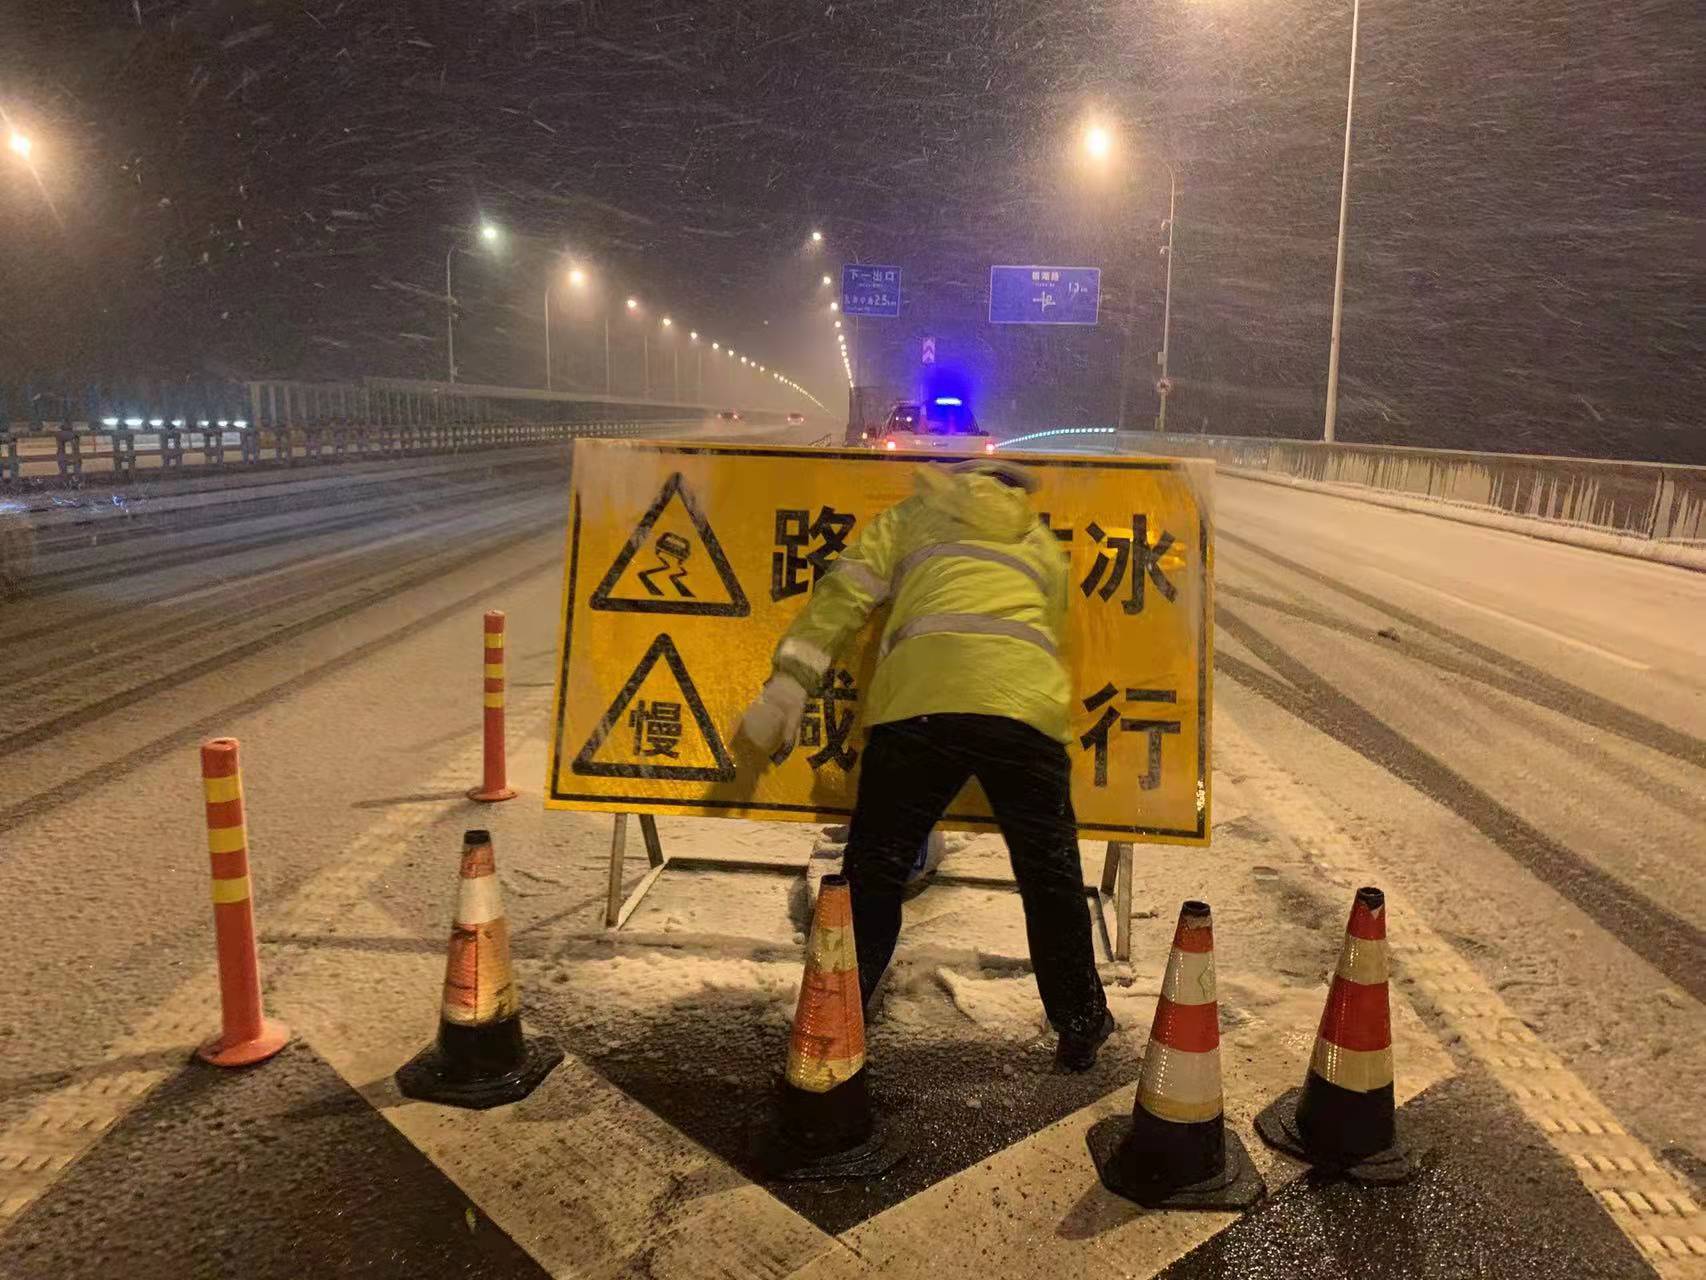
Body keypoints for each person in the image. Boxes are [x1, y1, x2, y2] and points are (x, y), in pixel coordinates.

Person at [738, 457, 1114, 1070]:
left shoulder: (911, 517)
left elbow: (840, 598)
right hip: (1024, 713)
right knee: (1050, 876)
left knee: (875, 871)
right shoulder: (1041, 541)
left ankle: (838, 1011)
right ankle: (1080, 1022)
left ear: (955, 479)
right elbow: (1057, 636)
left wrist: (789, 683)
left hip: (919, 706)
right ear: (1017, 492)